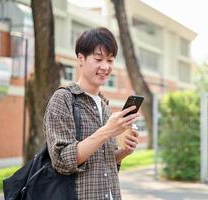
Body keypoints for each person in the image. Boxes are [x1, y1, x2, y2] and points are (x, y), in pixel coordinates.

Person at [43, 27, 140, 200]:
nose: (105, 67)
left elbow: (102, 162)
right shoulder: (63, 99)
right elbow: (62, 161)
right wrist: (108, 131)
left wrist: (123, 152)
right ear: (81, 58)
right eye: (98, 59)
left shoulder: (104, 104)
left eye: (110, 60)